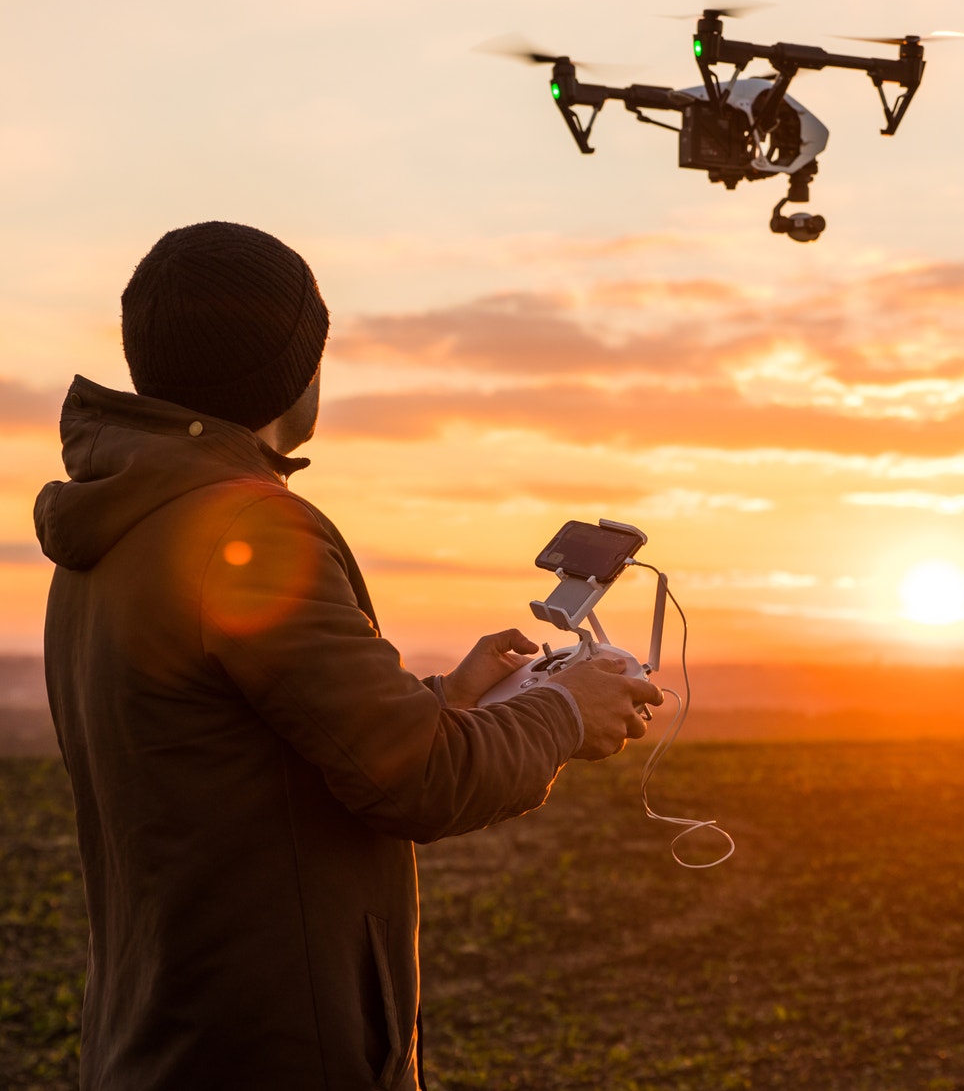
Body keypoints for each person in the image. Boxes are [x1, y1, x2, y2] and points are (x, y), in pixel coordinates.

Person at [33, 221, 661, 1090]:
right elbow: (419, 779)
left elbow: (245, 745)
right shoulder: (247, 528)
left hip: (155, 1039)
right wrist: (563, 710)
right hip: (277, 1049)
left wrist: (448, 696)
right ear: (295, 373)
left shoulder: (112, 528)